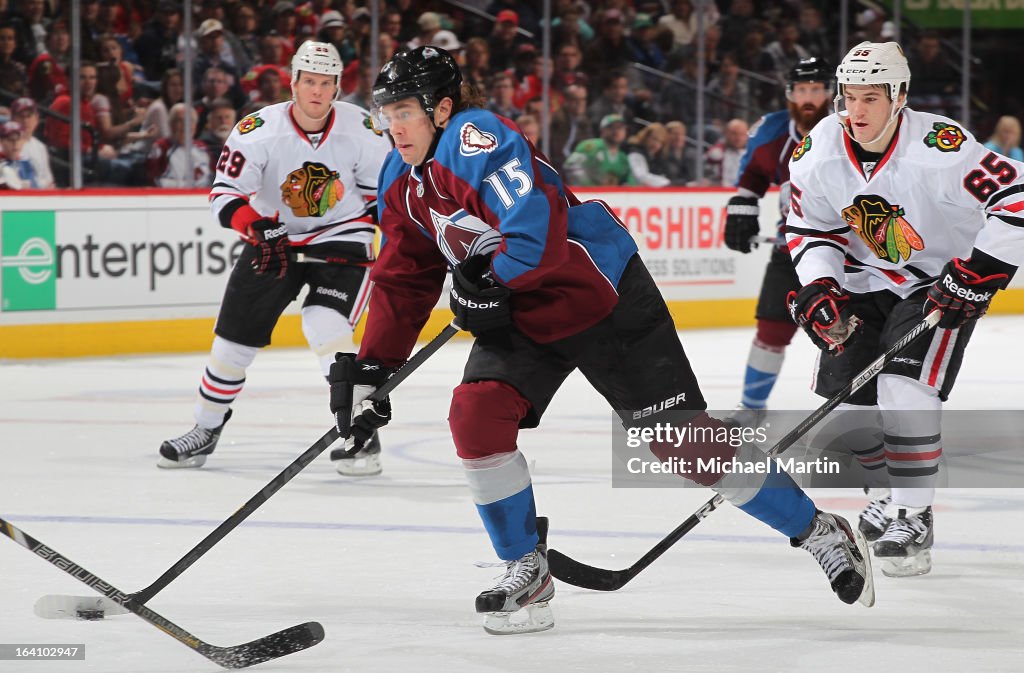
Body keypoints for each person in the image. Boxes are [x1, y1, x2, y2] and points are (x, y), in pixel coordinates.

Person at [327, 45, 875, 636]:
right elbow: (402, 277)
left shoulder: (475, 137)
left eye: (404, 111)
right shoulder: (399, 177)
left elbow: (532, 236)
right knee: (475, 414)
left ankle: (817, 529)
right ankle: (525, 566)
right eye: (386, 114)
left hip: (600, 298)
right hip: (521, 318)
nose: (393, 126)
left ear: (440, 109)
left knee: (687, 446)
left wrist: (486, 278)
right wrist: (372, 368)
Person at [785, 42, 1024, 577]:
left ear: (900, 97)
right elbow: (809, 228)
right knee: (847, 413)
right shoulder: (820, 147)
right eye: (849, 97)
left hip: (941, 283)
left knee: (902, 386)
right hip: (866, 279)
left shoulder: (942, 146)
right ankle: (898, 494)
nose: (858, 111)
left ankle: (913, 513)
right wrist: (820, 283)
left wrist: (980, 271)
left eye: (872, 97)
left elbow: (1018, 198)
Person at [158, 41, 392, 477]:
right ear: (293, 82)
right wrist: (257, 226)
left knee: (325, 323)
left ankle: (361, 430)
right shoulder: (258, 130)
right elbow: (224, 194)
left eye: (326, 83)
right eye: (309, 82)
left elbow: (383, 198)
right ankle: (206, 428)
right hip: (275, 238)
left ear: (338, 87)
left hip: (342, 237)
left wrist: (402, 237)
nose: (317, 92)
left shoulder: (363, 129)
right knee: (232, 343)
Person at [722, 57, 832, 423]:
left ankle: (857, 411)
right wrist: (742, 206)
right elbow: (752, 177)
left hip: (846, 255)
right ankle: (751, 409)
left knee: (848, 333)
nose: (809, 98)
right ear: (789, 94)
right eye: (802, 90)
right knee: (771, 329)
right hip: (792, 250)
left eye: (816, 89)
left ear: (830, 92)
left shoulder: (849, 129)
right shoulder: (771, 131)